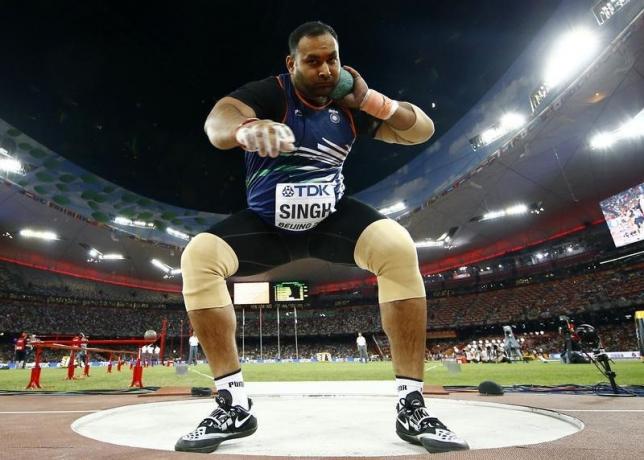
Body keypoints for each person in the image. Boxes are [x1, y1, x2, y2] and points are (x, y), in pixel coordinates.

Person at [176, 21, 468, 454]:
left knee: (396, 246)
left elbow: (420, 130)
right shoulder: (271, 94)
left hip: (333, 220)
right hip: (266, 226)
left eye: (332, 58)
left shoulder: (348, 104)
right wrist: (247, 129)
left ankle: (412, 404)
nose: (326, 69)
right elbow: (218, 120)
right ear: (292, 63)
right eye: (313, 61)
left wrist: (370, 100)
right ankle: (233, 404)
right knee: (199, 256)